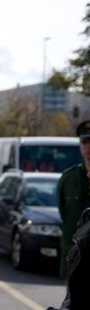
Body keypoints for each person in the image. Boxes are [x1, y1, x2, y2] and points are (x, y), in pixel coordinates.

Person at [57, 119, 90, 277]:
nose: (88, 146)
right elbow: (64, 213)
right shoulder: (68, 178)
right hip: (74, 253)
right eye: (85, 142)